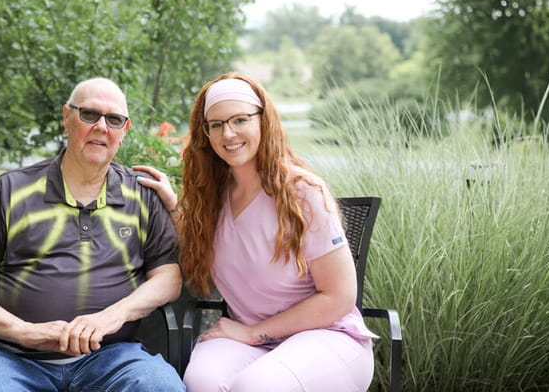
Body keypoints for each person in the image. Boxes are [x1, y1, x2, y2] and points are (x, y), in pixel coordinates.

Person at [0, 77, 185, 392]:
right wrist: (22, 330)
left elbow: (169, 278)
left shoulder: (142, 195)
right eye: (89, 114)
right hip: (13, 359)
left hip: (112, 358)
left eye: (114, 119)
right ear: (67, 118)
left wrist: (112, 316)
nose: (101, 126)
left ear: (124, 131)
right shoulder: (11, 191)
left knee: (161, 386)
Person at [135, 72, 376, 391]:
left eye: (240, 119)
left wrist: (252, 332)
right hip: (251, 339)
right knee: (201, 382)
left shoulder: (303, 192)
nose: (228, 133)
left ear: (264, 120)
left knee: (257, 385)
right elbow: (193, 242)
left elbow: (340, 296)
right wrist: (171, 201)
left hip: (327, 337)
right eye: (216, 125)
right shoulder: (211, 199)